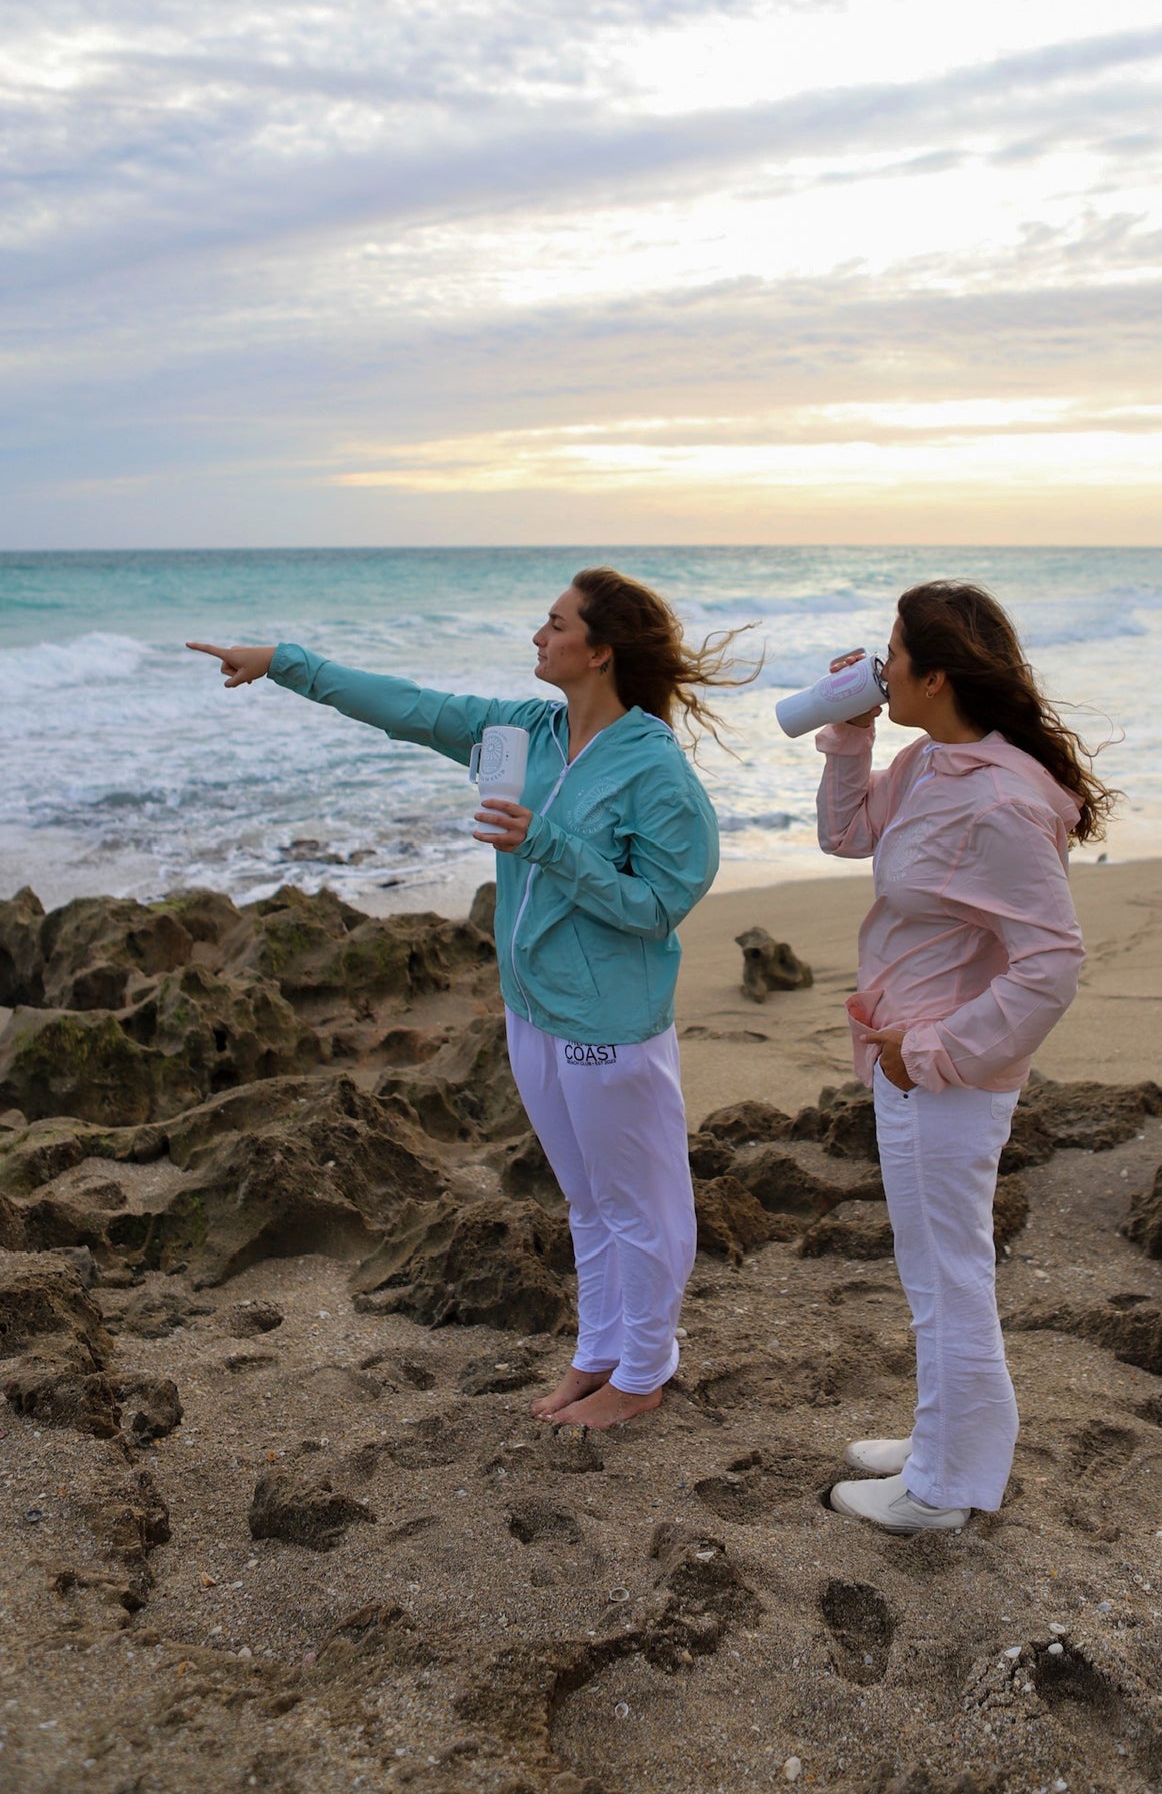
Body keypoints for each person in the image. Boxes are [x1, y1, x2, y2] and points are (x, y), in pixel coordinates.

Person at [189, 568, 748, 1430]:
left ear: (598, 652)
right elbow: (409, 706)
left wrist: (550, 843)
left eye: (554, 624)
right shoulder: (524, 732)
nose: (537, 635)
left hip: (610, 1024)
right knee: (587, 1201)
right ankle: (599, 1355)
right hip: (532, 1007)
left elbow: (658, 908)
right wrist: (281, 662)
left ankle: (643, 1373)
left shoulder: (655, 773)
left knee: (643, 1204)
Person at [816, 581, 1113, 1533]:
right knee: (933, 1270)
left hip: (944, 1071)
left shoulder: (996, 797)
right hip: (905, 1053)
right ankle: (941, 1441)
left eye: (893, 652)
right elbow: (845, 834)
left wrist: (935, 1051)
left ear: (936, 674)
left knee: (950, 1276)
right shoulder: (933, 760)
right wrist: (852, 738)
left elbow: (1051, 964)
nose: (879, 663)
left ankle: (946, 1490)